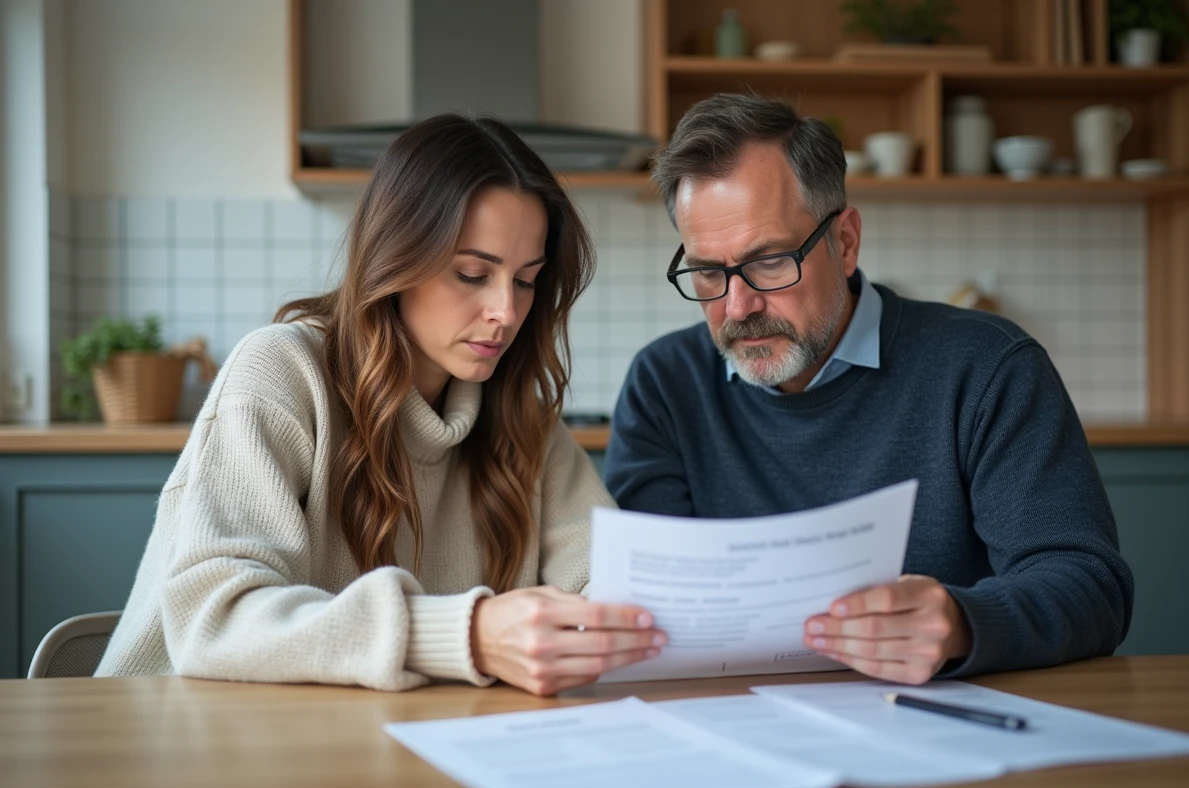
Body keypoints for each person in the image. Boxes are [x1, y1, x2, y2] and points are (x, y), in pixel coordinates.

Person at [97, 114, 665, 696]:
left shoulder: (524, 420)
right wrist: (467, 636)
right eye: (473, 274)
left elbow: (609, 584)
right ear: (397, 259)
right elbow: (214, 618)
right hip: (178, 745)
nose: (507, 311)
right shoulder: (282, 372)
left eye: (525, 281)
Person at [605, 93, 1134, 685]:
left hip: (941, 731)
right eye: (708, 272)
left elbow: (1091, 586)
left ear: (846, 242)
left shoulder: (986, 366)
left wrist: (963, 623)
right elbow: (649, 609)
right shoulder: (664, 384)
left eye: (772, 261)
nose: (738, 307)